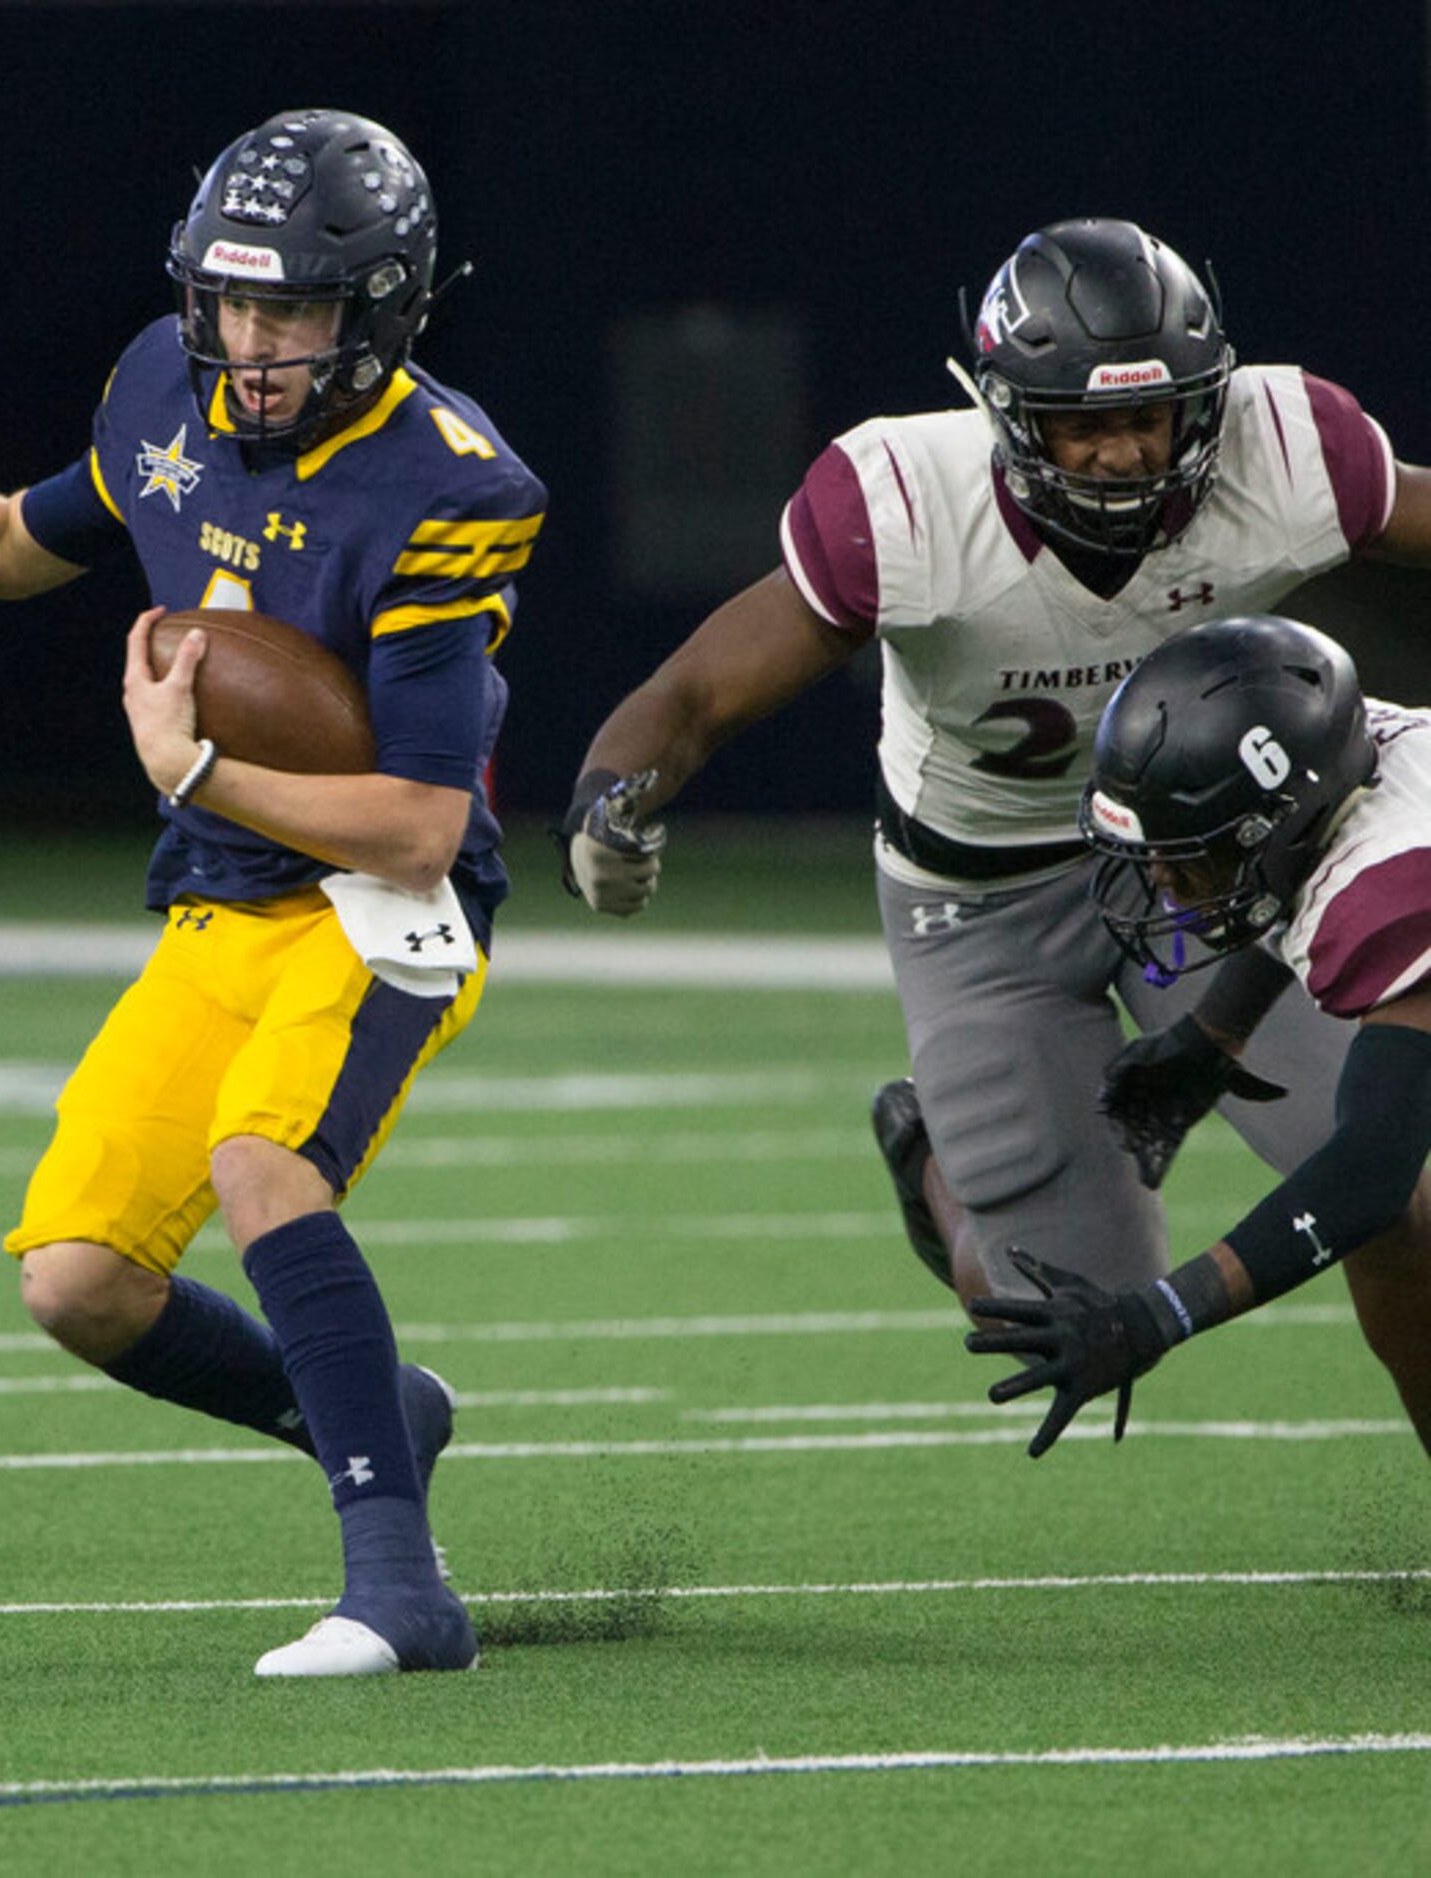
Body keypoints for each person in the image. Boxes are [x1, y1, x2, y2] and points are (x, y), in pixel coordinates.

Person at [0, 110, 544, 1677]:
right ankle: (373, 1408)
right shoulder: (160, 381)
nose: (252, 340)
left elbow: (422, 826)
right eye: (235, 302)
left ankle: (402, 1588)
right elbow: (25, 542)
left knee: (261, 1165)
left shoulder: (453, 486)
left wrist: (196, 776)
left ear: (379, 313)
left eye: (295, 309)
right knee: (82, 1281)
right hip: (221, 893)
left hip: (375, 909)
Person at [559, 217, 1431, 1319]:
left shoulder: (1285, 450)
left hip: (1211, 873)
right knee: (1058, 1297)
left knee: (1389, 1192)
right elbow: (694, 692)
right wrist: (612, 794)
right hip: (980, 898)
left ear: (1200, 402)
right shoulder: (909, 506)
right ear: (1009, 415)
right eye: (1084, 425)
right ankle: (936, 1167)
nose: (1121, 454)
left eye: (1148, 417)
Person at [970, 613, 1431, 1458]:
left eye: (1189, 856)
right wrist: (1217, 1031)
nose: (1163, 884)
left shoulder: (1394, 878)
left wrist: (1161, 1313)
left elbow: (1370, 1172)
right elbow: (1301, 871)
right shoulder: (1350, 766)